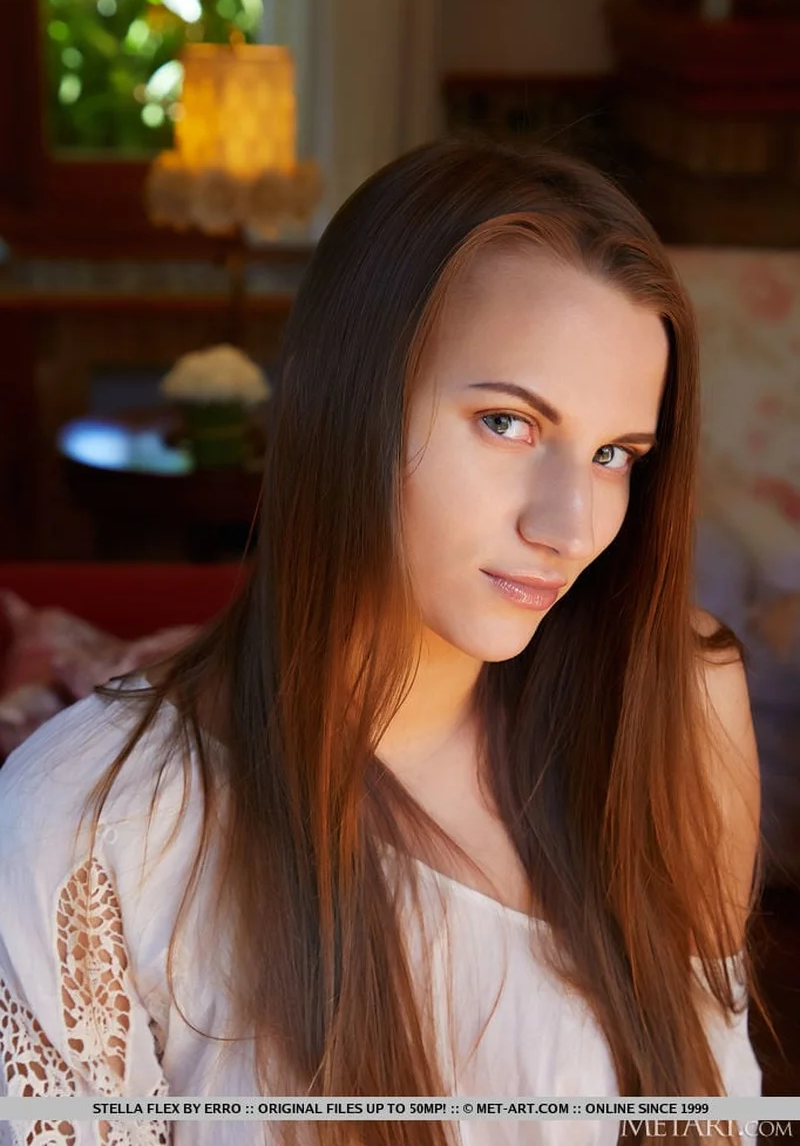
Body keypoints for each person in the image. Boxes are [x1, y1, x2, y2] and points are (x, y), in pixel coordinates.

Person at [0, 140, 770, 1146]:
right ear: (336, 398)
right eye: (506, 422)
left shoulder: (673, 704)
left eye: (613, 454)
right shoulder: (92, 825)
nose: (570, 526)